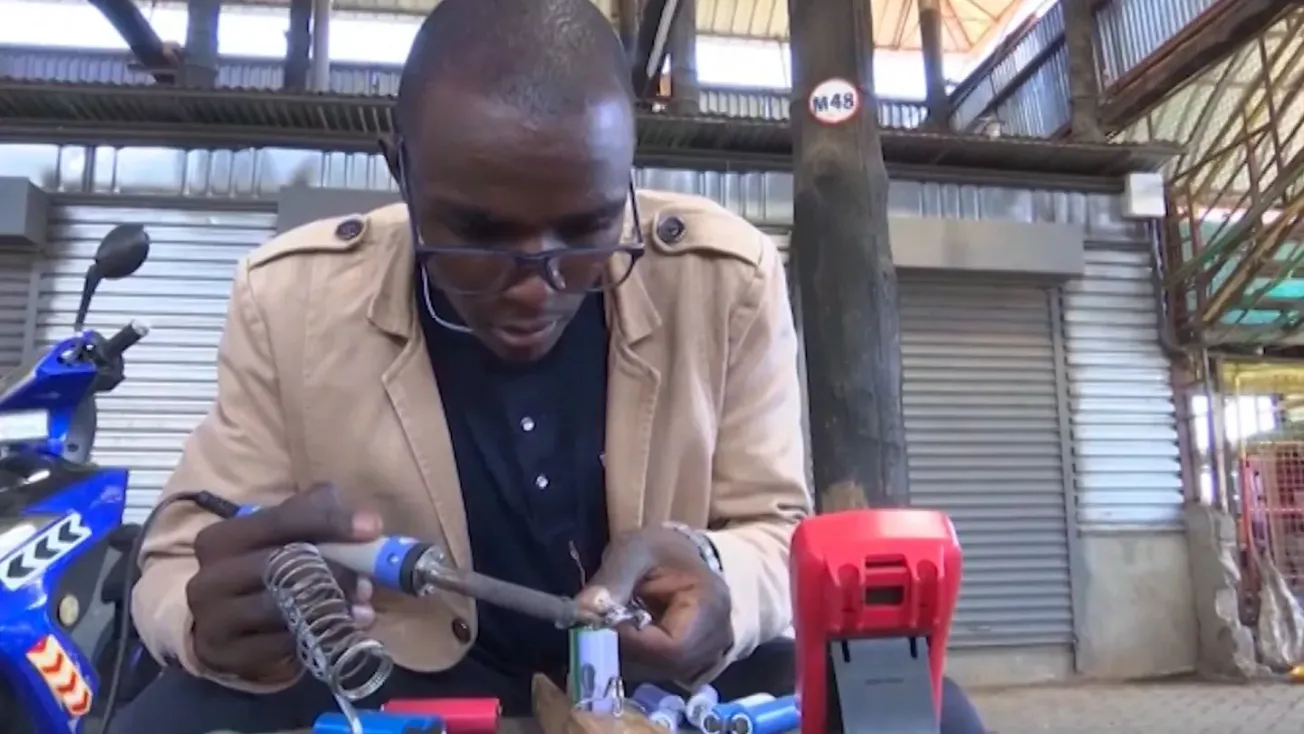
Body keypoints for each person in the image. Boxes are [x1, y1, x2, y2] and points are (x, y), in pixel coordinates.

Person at [112, 0, 987, 731]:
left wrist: (714, 575)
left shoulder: (729, 281)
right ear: (401, 170)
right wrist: (209, 621)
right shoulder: (289, 299)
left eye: (587, 231)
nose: (537, 285)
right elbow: (179, 561)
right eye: (479, 235)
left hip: (666, 688)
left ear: (627, 181)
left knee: (924, 711)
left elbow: (773, 528)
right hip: (401, 677)